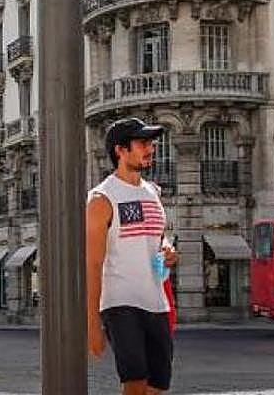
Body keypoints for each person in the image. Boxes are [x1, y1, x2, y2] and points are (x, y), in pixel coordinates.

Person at [86, 117, 179, 395]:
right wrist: (92, 324)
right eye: (142, 143)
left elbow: (157, 239)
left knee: (158, 386)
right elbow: (92, 264)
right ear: (120, 150)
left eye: (151, 143)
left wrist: (168, 249)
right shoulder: (101, 199)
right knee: (135, 382)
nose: (150, 148)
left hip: (156, 302)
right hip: (120, 302)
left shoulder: (153, 193)